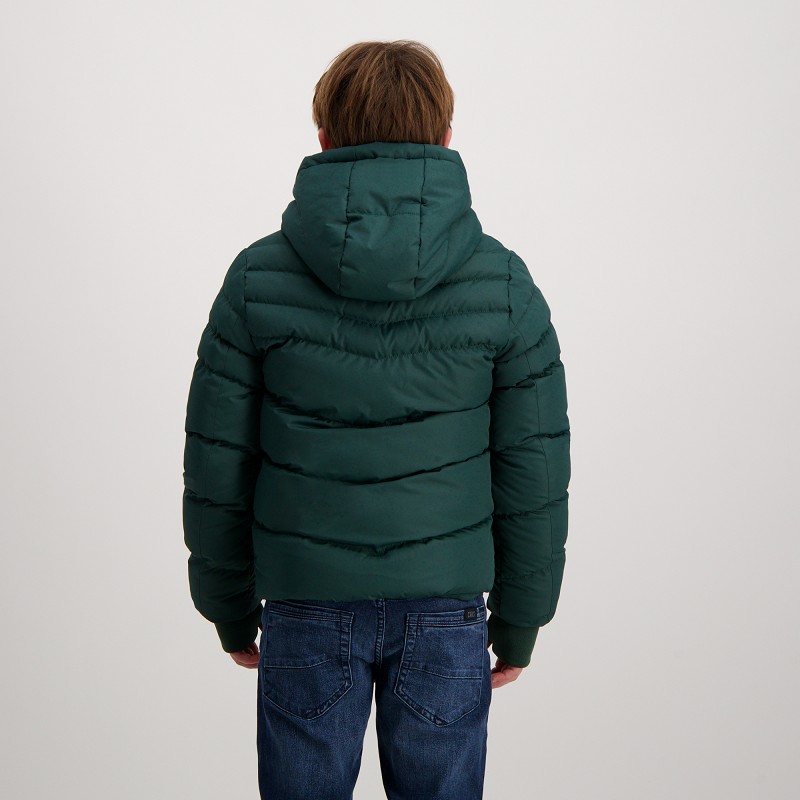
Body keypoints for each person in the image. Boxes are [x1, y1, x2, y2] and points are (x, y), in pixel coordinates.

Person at [182, 38, 571, 800]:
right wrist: (523, 619)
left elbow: (217, 465)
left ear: (324, 138)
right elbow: (534, 472)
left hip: (306, 610)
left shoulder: (257, 280)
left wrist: (228, 608)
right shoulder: (504, 286)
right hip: (447, 617)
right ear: (446, 137)